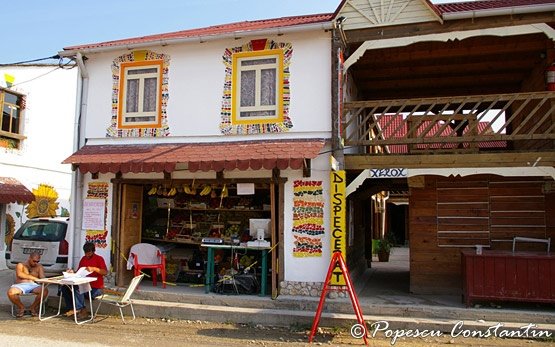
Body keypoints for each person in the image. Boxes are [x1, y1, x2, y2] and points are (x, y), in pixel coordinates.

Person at [61, 242, 107, 318]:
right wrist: (72, 272)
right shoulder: (83, 259)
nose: (87, 255)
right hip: (84, 285)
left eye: (89, 253)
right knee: (65, 288)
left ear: (93, 251)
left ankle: (82, 309)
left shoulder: (99, 259)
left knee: (78, 288)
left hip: (95, 288)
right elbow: (79, 272)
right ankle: (72, 308)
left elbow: (105, 272)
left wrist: (94, 269)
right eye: (85, 253)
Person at [7, 251, 48, 318]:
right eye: (34, 261)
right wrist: (34, 278)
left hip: (33, 285)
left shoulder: (39, 266)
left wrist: (47, 280)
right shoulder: (21, 265)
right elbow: (20, 274)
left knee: (44, 291)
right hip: (20, 285)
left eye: (37, 261)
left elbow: (42, 277)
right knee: (11, 292)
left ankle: (33, 307)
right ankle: (21, 307)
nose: (36, 263)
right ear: (29, 258)